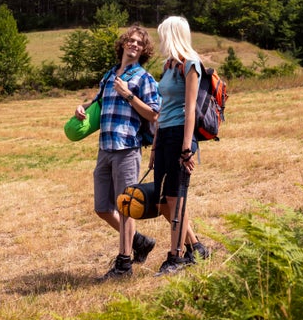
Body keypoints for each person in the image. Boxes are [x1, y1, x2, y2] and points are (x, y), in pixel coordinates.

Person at [74, 25, 160, 280]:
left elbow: (155, 113)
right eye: (130, 41)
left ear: (143, 50)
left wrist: (129, 95)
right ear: (123, 44)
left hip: (127, 148)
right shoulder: (109, 74)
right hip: (105, 147)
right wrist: (82, 108)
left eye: (138, 43)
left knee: (125, 208)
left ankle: (124, 265)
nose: (133, 45)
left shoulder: (144, 78)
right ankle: (140, 241)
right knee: (102, 207)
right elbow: (98, 102)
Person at [151, 16, 210, 276]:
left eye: (163, 34)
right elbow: (163, 108)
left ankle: (175, 258)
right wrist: (154, 146)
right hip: (163, 134)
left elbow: (190, 111)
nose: (160, 39)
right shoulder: (168, 65)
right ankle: (196, 247)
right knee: (162, 202)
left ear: (172, 34)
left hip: (180, 136)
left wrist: (187, 148)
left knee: (175, 198)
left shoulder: (191, 65)